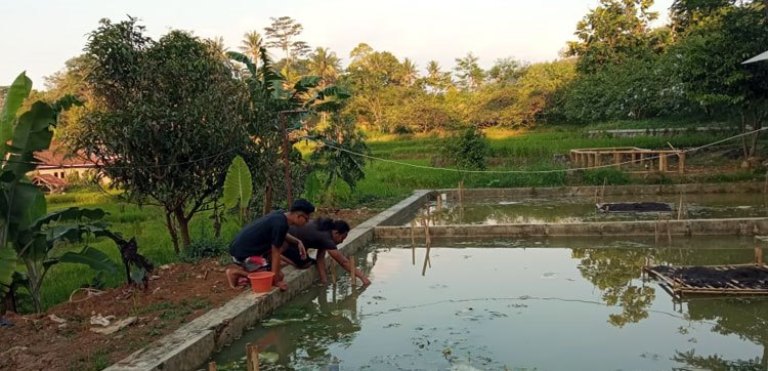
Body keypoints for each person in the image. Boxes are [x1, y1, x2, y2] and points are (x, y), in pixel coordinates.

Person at [226, 199, 315, 291]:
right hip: (242, 254)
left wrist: (298, 242)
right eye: (306, 219)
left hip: (243, 247)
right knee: (270, 279)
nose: (307, 222)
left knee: (280, 274)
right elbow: (275, 253)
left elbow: (282, 234)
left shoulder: (281, 215)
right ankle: (235, 272)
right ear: (298, 216)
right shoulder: (281, 224)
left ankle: (251, 270)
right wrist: (276, 281)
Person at [281, 218, 371, 286]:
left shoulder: (325, 230)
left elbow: (320, 257)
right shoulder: (326, 238)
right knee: (305, 263)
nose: (341, 242)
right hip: (283, 242)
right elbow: (343, 262)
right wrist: (363, 277)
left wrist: (324, 281)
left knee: (312, 261)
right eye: (342, 238)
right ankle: (279, 257)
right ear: (336, 233)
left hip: (291, 240)